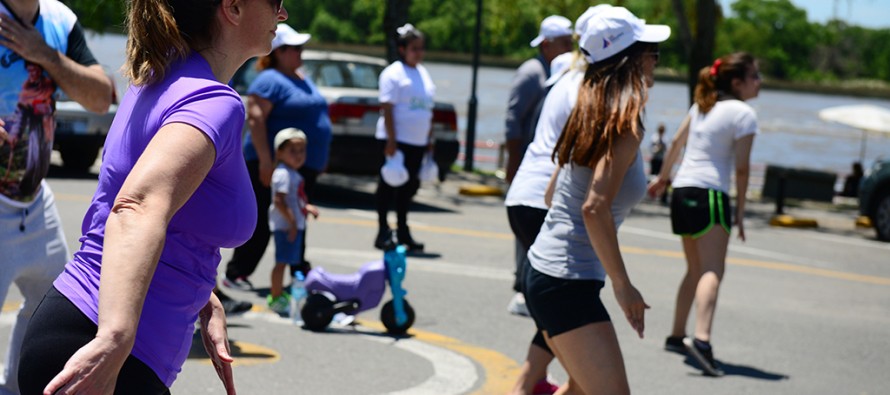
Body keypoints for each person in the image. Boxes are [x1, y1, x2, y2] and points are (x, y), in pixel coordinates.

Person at [17, 0, 287, 393]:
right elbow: (135, 206)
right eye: (276, 2)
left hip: (78, 328)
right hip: (105, 350)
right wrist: (115, 336)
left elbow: (145, 205)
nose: (283, 15)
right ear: (233, 7)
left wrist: (200, 293)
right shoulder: (213, 102)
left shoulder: (158, 77)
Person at [524, 7, 669, 394]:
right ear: (631, 57)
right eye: (652, 49)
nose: (656, 59)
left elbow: (554, 193)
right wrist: (624, 287)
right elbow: (593, 207)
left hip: (548, 272)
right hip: (565, 282)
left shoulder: (589, 104)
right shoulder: (624, 120)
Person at [0, 0, 114, 392]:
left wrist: (45, 55)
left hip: (35, 203)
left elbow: (101, 97)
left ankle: (13, 386)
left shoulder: (59, 20)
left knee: (49, 308)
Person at [504, 6, 614, 394]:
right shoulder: (585, 84)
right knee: (563, 302)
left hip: (527, 195)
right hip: (538, 198)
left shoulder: (565, 71)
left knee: (557, 306)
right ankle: (533, 382)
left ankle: (545, 381)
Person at [648, 52, 761, 377]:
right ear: (737, 82)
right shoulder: (744, 114)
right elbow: (741, 169)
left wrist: (662, 179)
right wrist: (739, 212)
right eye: (755, 76)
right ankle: (702, 340)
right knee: (713, 270)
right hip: (710, 193)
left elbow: (675, 145)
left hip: (682, 192)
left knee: (695, 268)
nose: (760, 82)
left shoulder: (702, 106)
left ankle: (675, 334)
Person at [223, 23, 331, 291]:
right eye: (295, 48)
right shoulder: (269, 79)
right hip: (273, 165)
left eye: (301, 48)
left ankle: (298, 269)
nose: (300, 53)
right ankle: (237, 273)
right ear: (279, 52)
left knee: (296, 215)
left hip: (300, 164)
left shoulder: (300, 77)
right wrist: (266, 161)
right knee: (262, 220)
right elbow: (257, 119)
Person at [504, 13, 574, 318]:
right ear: (547, 45)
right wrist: (512, 163)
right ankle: (522, 285)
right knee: (528, 233)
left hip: (546, 165)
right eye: (564, 43)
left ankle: (527, 284)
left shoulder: (558, 71)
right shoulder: (532, 72)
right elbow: (513, 120)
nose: (570, 48)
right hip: (530, 162)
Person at [373, 23, 434, 252]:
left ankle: (403, 230)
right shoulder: (393, 73)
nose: (419, 53)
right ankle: (382, 231)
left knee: (408, 189)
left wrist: (430, 138)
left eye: (421, 48)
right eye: (414, 48)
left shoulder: (422, 72)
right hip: (396, 141)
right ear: (402, 49)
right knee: (388, 187)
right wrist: (391, 140)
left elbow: (427, 108)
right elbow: (387, 108)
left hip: (417, 141)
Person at [266, 128, 318, 314]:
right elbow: (279, 201)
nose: (298, 155)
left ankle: (279, 293)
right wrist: (292, 223)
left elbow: (295, 199)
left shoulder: (292, 173)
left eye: (301, 150)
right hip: (287, 226)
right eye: (292, 151)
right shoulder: (283, 174)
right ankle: (276, 296)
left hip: (292, 224)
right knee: (282, 262)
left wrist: (307, 207)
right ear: (279, 152)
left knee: (287, 261)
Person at [650, 123, 668, 203]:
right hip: (655, 159)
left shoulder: (664, 139)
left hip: (661, 159)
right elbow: (651, 148)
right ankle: (652, 193)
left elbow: (666, 149)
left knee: (660, 177)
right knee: (653, 176)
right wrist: (657, 148)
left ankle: (660, 195)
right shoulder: (654, 137)